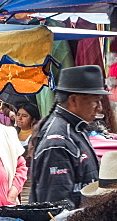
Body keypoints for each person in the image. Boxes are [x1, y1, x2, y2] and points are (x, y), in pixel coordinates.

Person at [30, 65, 110, 208]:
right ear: (73, 100)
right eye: (95, 101)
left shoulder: (76, 129)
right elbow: (57, 208)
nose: (99, 108)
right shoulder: (57, 141)